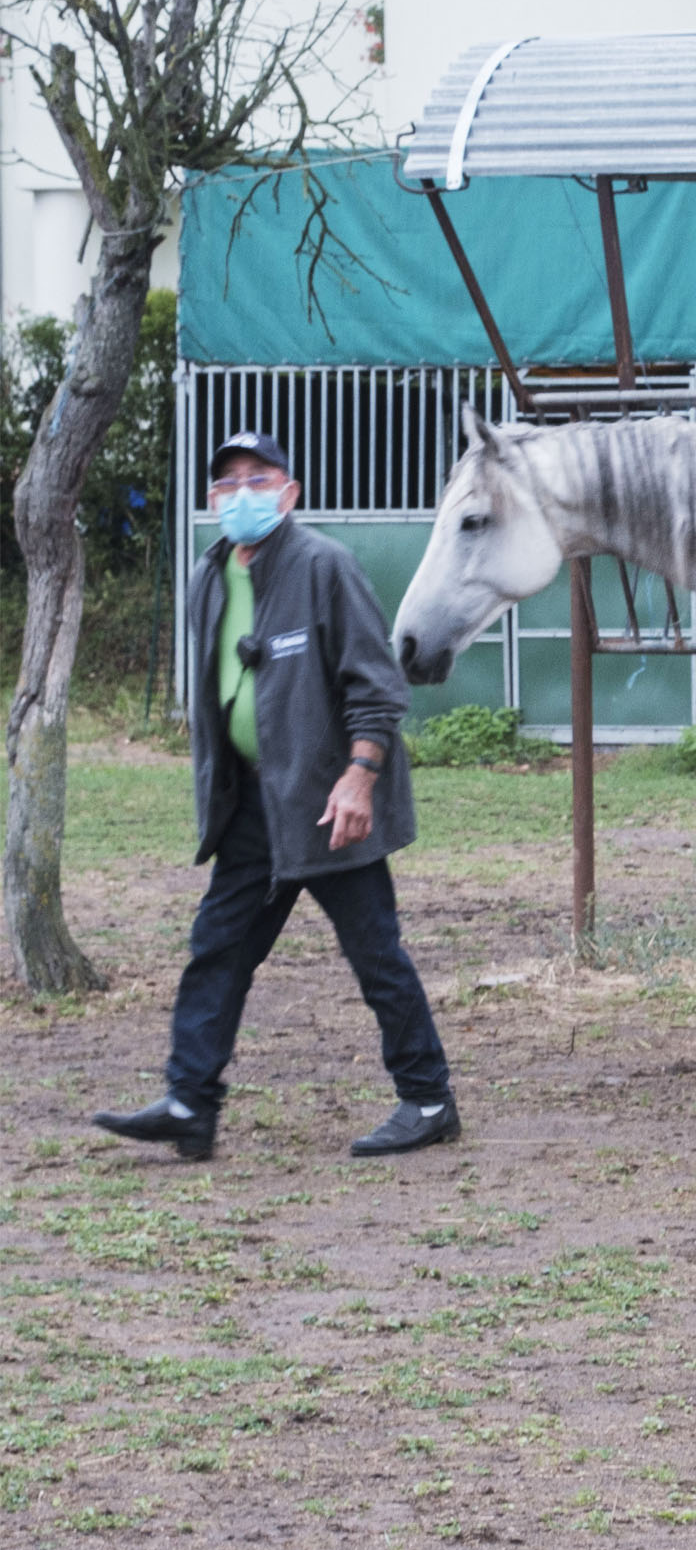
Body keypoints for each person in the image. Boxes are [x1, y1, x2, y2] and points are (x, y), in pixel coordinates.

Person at [93, 430, 459, 1160]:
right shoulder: (209, 574)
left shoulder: (325, 566)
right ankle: (190, 1102)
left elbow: (378, 687)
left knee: (375, 954)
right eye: (228, 483)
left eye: (259, 478)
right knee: (217, 950)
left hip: (330, 808)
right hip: (253, 810)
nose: (242, 493)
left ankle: (428, 1099)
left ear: (289, 493)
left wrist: (359, 776)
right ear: (211, 500)